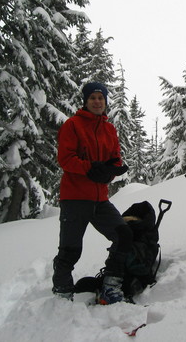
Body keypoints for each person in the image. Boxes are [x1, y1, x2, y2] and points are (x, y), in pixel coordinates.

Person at [52, 81, 131, 304]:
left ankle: (111, 285)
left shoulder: (109, 129)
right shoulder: (73, 125)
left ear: (105, 102)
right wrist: (90, 168)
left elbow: (115, 158)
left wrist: (110, 172)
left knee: (123, 235)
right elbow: (66, 159)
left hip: (100, 200)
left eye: (101, 98)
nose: (97, 102)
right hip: (75, 198)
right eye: (93, 98)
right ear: (85, 101)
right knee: (70, 249)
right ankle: (62, 289)